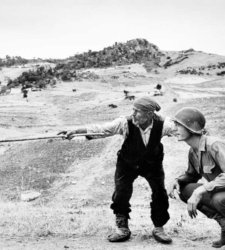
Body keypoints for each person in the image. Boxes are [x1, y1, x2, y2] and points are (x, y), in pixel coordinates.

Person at [59, 96, 175, 244]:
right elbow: (101, 130)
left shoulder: (164, 124)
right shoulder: (124, 123)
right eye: (133, 110)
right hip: (127, 163)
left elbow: (182, 130)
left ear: (149, 114)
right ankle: (122, 228)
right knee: (121, 192)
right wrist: (75, 132)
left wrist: (200, 132)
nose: (133, 114)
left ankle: (159, 228)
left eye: (137, 111)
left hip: (152, 164)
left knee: (160, 193)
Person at [169, 107, 225, 248]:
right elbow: (191, 176)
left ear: (191, 127)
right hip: (221, 190)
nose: (174, 128)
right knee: (185, 189)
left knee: (218, 199)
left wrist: (200, 191)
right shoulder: (193, 151)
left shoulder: (214, 144)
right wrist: (177, 181)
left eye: (178, 125)